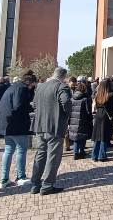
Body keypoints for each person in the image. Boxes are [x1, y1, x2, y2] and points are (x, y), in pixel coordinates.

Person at [0, 70, 36, 188]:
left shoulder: (13, 86)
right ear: (30, 82)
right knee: (21, 150)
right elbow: (18, 106)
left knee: (8, 150)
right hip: (16, 124)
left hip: (7, 124)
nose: (33, 88)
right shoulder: (22, 89)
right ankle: (21, 177)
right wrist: (31, 107)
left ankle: (4, 179)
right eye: (33, 85)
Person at [30, 67, 72, 195]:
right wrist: (67, 114)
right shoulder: (61, 86)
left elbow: (34, 104)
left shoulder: (41, 86)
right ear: (63, 77)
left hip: (40, 125)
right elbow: (65, 102)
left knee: (41, 154)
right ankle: (47, 185)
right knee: (53, 156)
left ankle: (35, 183)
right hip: (54, 126)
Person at [91, 78, 113, 162]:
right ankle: (102, 155)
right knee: (104, 136)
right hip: (106, 115)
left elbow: (96, 106)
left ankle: (94, 155)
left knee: (97, 136)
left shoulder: (97, 95)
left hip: (98, 114)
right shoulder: (111, 95)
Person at [68, 82, 93, 160]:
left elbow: (69, 110)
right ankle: (81, 152)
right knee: (82, 136)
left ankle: (75, 152)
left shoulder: (72, 98)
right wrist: (90, 118)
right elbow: (88, 111)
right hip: (83, 120)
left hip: (73, 120)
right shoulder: (85, 99)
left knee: (76, 137)